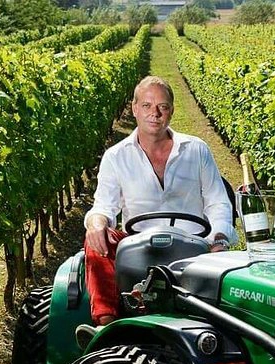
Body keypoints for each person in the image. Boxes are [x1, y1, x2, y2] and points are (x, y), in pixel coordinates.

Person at [83, 76, 237, 326]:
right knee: (96, 240)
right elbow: (104, 206)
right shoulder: (116, 156)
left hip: (193, 246)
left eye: (162, 107)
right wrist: (96, 223)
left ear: (171, 111)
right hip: (139, 247)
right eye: (146, 105)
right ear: (134, 108)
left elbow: (218, 203)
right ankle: (105, 324)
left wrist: (219, 238)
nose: (154, 113)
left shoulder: (196, 150)